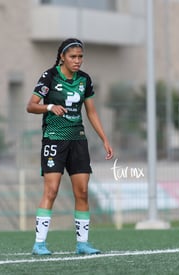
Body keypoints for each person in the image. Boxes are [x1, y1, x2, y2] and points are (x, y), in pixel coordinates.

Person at [26, 38, 114, 255]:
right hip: (54, 138)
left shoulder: (85, 80)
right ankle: (39, 244)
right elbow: (31, 106)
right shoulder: (49, 76)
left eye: (80, 57)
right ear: (62, 57)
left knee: (82, 192)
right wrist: (49, 106)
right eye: (73, 57)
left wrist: (104, 139)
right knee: (52, 189)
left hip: (78, 140)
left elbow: (91, 112)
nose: (77, 61)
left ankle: (82, 244)